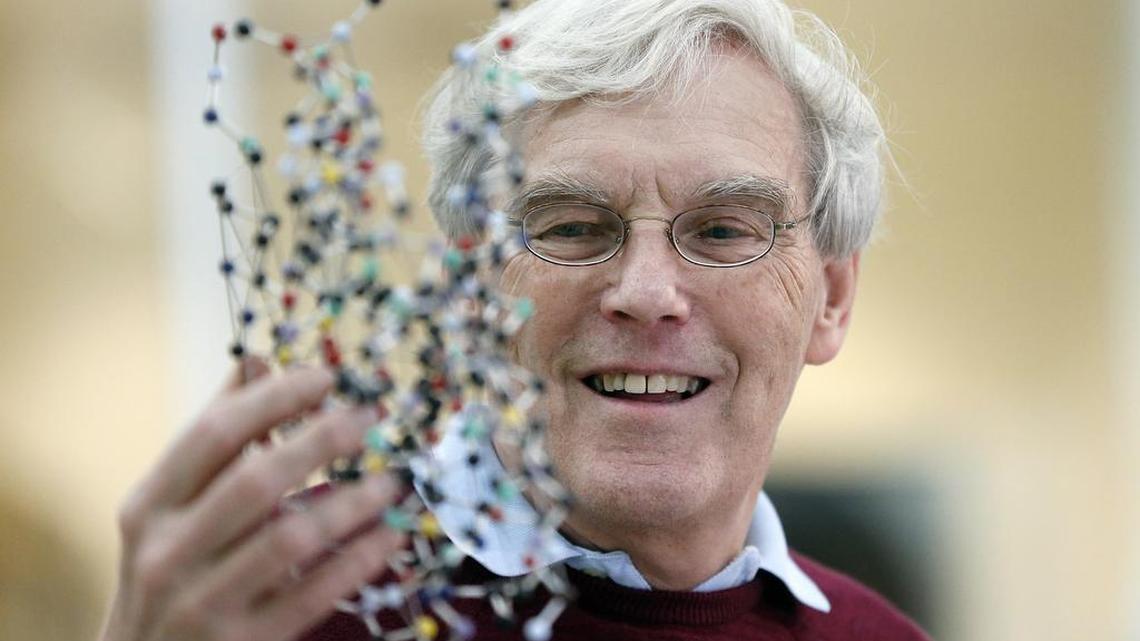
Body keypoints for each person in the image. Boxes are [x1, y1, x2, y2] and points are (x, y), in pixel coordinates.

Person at [100, 0, 932, 640]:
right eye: (571, 225)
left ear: (831, 298)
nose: (645, 291)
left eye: (722, 230)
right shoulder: (262, 600)